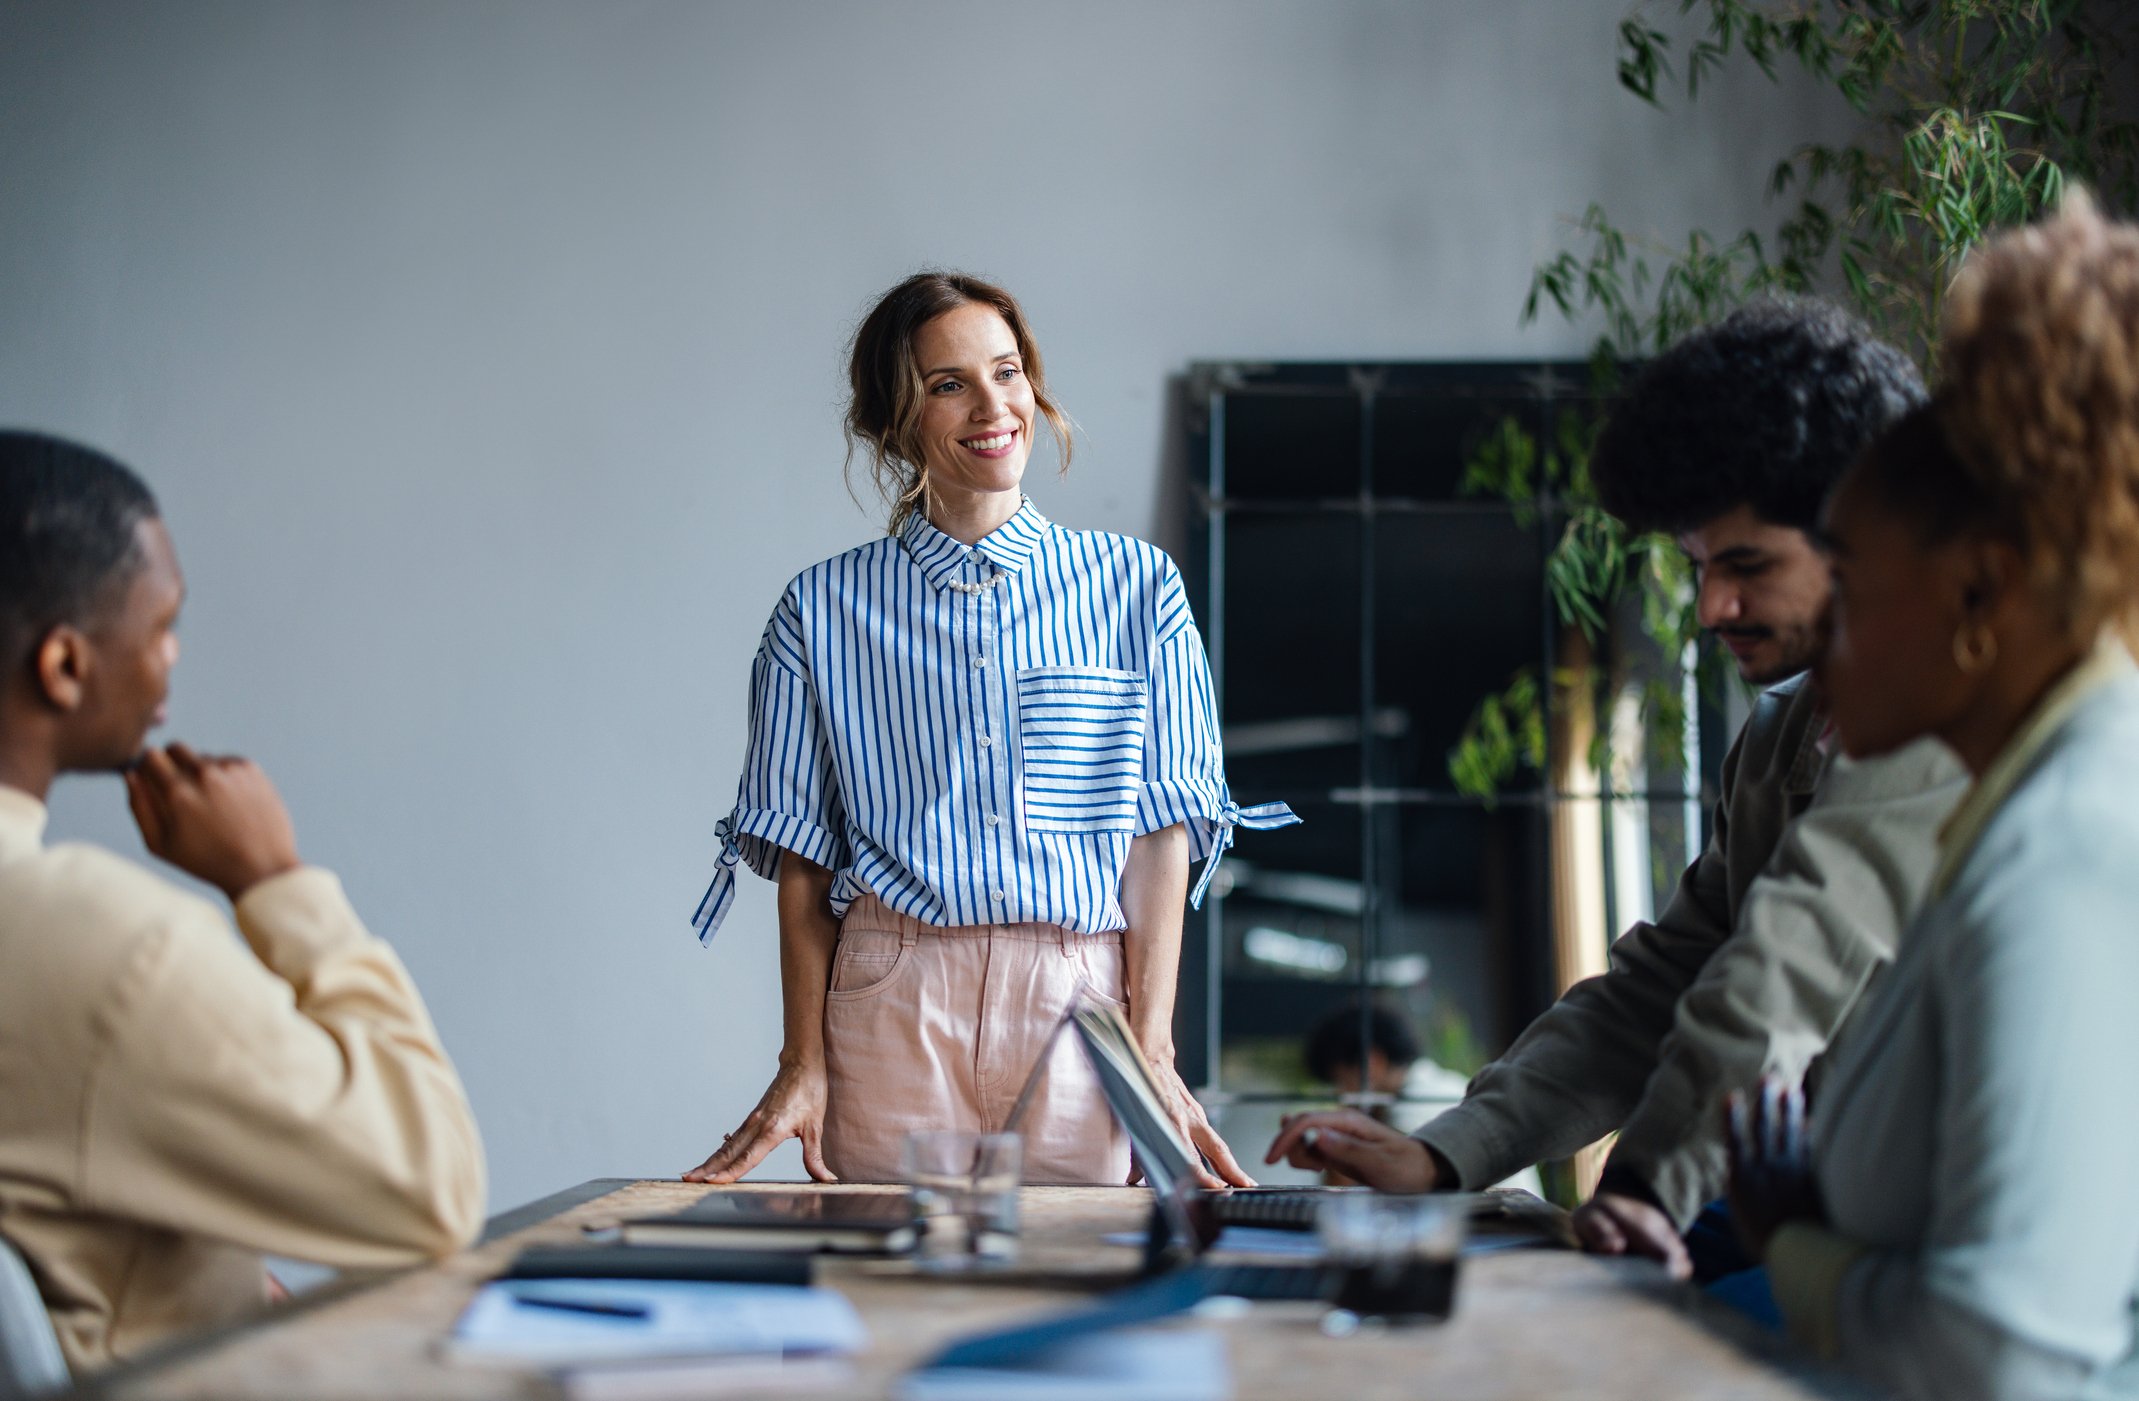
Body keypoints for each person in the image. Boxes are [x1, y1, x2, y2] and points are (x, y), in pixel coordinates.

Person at [1265, 300, 1967, 1277]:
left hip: (1943, 1250)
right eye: (1698, 567)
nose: (1714, 605)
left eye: (1747, 565)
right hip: (1795, 1206)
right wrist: (1448, 1150)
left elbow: (1781, 971)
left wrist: (1639, 1197)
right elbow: (1664, 982)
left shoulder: (1954, 712)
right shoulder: (1776, 738)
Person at [684, 272, 1295, 1188]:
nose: (991, 405)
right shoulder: (818, 610)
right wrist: (800, 1061)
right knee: (884, 1310)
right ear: (896, 422)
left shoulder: (1137, 589)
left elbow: (1160, 831)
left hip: (1081, 1004)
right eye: (947, 384)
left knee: (1073, 1305)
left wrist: (1153, 1047)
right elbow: (804, 866)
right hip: (893, 995)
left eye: (1006, 372)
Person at [1730, 198, 2139, 1400]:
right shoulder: (2037, 812)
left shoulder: (2068, 849)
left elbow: (2002, 1351)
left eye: (1849, 588)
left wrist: (1792, 1244)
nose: (1825, 644)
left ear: (1979, 597)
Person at [0, 432, 485, 1372]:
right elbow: (431, 1189)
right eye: (162, 624)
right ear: (64, 665)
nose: (172, 657)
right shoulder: (106, 947)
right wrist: (276, 882)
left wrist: (209, 1285)